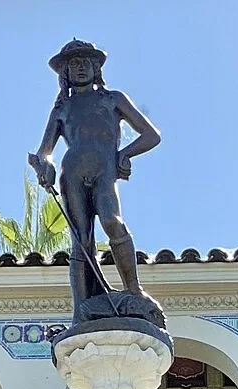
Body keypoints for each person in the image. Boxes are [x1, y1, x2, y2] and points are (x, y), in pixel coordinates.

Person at [29, 39, 162, 328]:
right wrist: (45, 165)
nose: (79, 67)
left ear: (96, 67)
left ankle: (133, 289)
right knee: (81, 241)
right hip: (72, 173)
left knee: (113, 223)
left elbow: (151, 135)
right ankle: (81, 311)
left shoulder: (113, 99)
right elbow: (45, 150)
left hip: (104, 171)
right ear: (63, 72)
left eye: (85, 62)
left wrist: (124, 154)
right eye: (73, 63)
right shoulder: (61, 109)